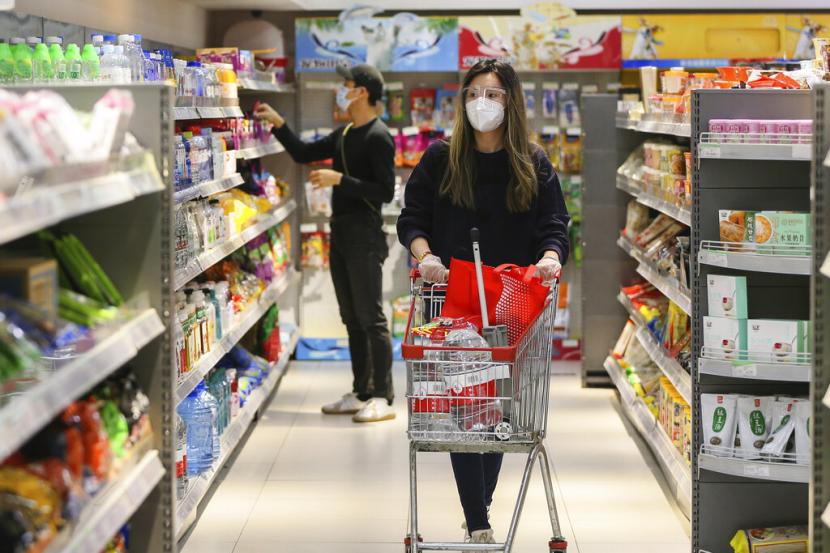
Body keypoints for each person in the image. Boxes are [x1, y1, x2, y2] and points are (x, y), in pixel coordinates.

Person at [396, 59, 570, 546]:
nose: (482, 103)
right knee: (464, 404)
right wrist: (426, 256)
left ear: (511, 102)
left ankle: (481, 505)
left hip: (511, 303)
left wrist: (550, 258)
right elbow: (412, 220)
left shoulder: (532, 162)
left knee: (499, 409)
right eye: (474, 93)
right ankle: (477, 519)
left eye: (493, 94)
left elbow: (555, 225)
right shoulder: (440, 159)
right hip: (450, 301)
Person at [255, 63, 396, 423]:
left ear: (362, 92)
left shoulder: (379, 136)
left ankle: (382, 396)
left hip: (365, 234)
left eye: (347, 85)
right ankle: (361, 391)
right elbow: (303, 153)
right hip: (342, 232)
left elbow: (384, 191)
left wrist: (339, 180)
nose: (342, 91)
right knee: (351, 317)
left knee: (371, 317)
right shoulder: (345, 132)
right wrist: (279, 124)